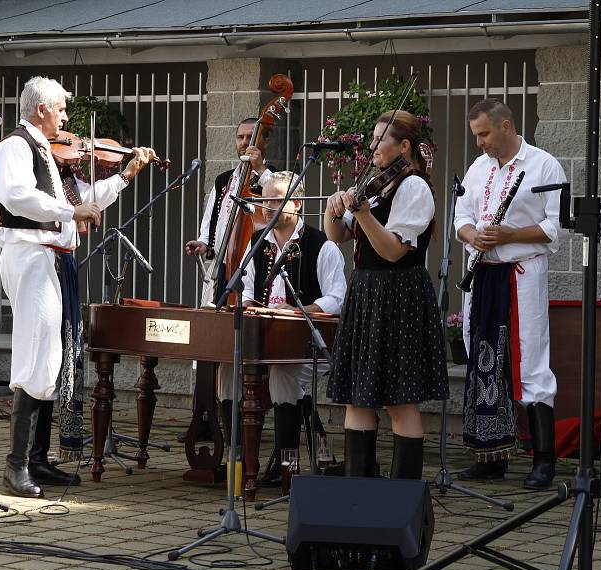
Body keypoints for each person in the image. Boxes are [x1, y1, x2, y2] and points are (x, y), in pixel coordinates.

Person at [0, 76, 154, 497]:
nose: (66, 118)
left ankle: (38, 459)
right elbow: (14, 196)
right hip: (30, 254)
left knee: (54, 354)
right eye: (61, 109)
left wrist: (126, 174)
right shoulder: (14, 147)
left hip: (54, 258)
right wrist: (71, 208)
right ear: (41, 109)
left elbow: (87, 199)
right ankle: (15, 464)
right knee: (36, 354)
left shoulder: (53, 156)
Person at [324, 110, 448, 480]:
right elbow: (336, 237)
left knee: (399, 399)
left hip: (399, 295)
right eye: (372, 141)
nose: (372, 148)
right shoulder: (376, 183)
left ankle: (401, 501)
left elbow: (394, 250)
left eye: (380, 141)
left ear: (404, 146)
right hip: (366, 291)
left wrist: (362, 214)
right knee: (357, 396)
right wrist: (334, 209)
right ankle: (356, 498)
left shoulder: (414, 187)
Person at [454, 98, 565, 489]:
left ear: (505, 126)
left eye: (484, 133)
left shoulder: (544, 164)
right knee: (482, 359)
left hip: (521, 273)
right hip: (481, 272)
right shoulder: (478, 167)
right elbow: (461, 218)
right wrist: (475, 235)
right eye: (475, 135)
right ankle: (491, 457)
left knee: (528, 360)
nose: (479, 142)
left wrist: (509, 235)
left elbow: (555, 227)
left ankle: (544, 460)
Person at [218, 171, 346, 485]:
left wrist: (301, 311)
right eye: (265, 199)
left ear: (298, 204)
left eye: (277, 199)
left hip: (306, 346)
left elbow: (337, 298)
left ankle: (286, 464)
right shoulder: (256, 244)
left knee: (283, 372)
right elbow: (246, 290)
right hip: (263, 340)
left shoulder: (322, 245)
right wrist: (245, 305)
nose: (268, 206)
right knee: (226, 367)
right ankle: (236, 459)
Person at [182, 118, 275, 445]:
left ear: (265, 141)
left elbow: (277, 220)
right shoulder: (223, 180)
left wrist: (260, 170)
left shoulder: (274, 180)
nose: (244, 142)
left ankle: (247, 423)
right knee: (211, 347)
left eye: (251, 136)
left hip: (256, 272)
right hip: (222, 270)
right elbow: (211, 224)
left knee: (245, 351)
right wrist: (203, 244)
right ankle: (209, 420)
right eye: (240, 136)